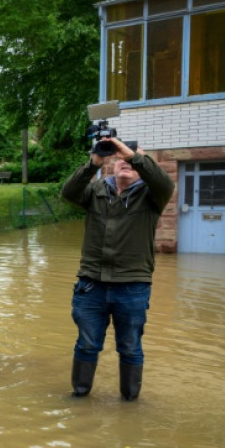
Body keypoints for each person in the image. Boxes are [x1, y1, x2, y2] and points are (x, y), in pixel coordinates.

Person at [61, 137, 174, 401]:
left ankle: (130, 402)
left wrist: (132, 156)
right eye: (121, 159)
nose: (126, 162)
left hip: (132, 286)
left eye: (133, 160)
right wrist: (94, 162)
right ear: (111, 165)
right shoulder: (96, 191)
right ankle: (79, 397)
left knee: (130, 347)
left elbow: (164, 183)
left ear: (142, 166)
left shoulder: (153, 195)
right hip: (91, 285)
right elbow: (69, 193)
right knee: (87, 345)